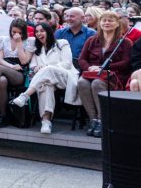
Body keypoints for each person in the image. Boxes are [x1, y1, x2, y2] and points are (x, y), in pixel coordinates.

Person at [11, 22, 78, 134]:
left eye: (42, 31)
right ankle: (46, 121)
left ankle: (25, 95)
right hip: (46, 80)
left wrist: (46, 67)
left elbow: (67, 63)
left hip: (65, 76)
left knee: (48, 70)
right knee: (46, 85)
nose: (38, 33)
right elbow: (32, 66)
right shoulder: (38, 49)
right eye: (37, 31)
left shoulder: (62, 43)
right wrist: (37, 68)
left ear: (49, 32)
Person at [76, 10, 132, 138]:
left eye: (110, 20)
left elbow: (126, 62)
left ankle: (102, 120)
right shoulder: (91, 40)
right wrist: (91, 68)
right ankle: (93, 120)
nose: (107, 23)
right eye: (104, 20)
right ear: (99, 23)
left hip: (114, 76)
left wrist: (103, 67)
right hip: (92, 74)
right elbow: (82, 59)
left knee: (97, 83)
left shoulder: (125, 42)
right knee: (81, 82)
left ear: (117, 24)